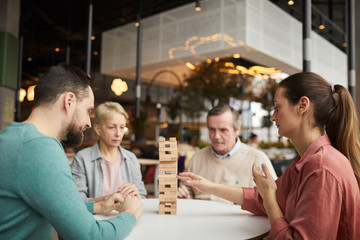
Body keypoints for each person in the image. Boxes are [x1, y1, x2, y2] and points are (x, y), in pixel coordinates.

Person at [178, 72, 360, 239]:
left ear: (302, 106)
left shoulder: (321, 168)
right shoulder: (308, 161)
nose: (273, 117)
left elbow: (269, 199)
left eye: (277, 107)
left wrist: (269, 197)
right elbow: (259, 198)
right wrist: (207, 186)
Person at [0, 63, 144, 240]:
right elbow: (90, 236)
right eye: (88, 111)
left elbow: (57, 205)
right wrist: (130, 214)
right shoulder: (40, 148)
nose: (89, 123)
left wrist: (98, 206)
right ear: (69, 101)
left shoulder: (13, 137)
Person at [177, 104, 277, 202]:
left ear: (237, 130)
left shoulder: (257, 159)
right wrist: (185, 197)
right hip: (200, 216)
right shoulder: (197, 158)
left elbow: (274, 198)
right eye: (212, 130)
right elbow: (187, 191)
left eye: (223, 130)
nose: (216, 136)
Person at [71, 101, 147, 201]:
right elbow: (77, 200)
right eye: (112, 127)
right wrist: (109, 199)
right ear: (98, 129)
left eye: (122, 127)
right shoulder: (82, 159)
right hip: (95, 216)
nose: (118, 134)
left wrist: (137, 195)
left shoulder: (131, 158)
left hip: (125, 215)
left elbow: (143, 196)